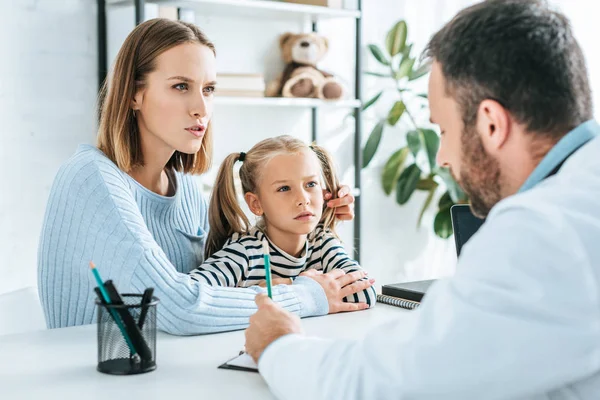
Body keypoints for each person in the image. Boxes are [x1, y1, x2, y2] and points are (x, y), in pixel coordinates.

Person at [244, 0, 600, 398]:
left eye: (443, 131)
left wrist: (278, 344)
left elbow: (378, 387)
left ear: (492, 124)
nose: (443, 158)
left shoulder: (544, 232)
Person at [37, 18, 371, 335]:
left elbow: (226, 279)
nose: (201, 108)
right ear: (133, 94)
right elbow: (180, 307)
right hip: (99, 378)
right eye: (181, 86)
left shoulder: (183, 187)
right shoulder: (92, 179)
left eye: (208, 89)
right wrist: (308, 296)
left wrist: (319, 217)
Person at [189, 135, 377, 308]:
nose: (303, 199)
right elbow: (189, 298)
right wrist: (299, 290)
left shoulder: (321, 242)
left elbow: (365, 294)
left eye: (310, 184)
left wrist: (288, 288)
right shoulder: (245, 253)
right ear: (256, 203)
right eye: (284, 188)